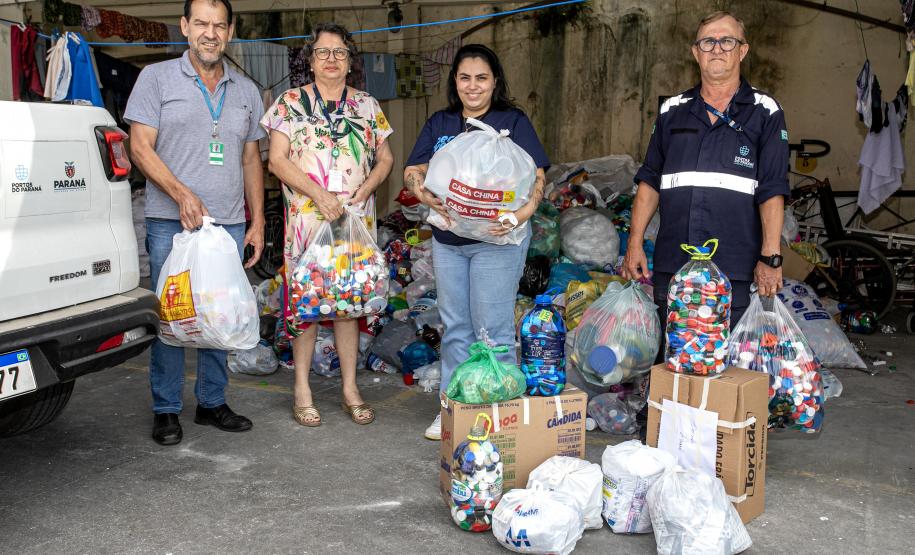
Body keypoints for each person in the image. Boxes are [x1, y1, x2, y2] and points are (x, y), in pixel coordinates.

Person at [126, 0, 266, 446]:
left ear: (230, 31)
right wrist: (181, 193)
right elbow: (139, 147)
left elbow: (251, 158)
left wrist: (258, 219)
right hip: (171, 221)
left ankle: (212, 402)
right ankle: (166, 408)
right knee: (173, 314)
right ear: (185, 26)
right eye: (201, 23)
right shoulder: (156, 78)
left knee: (219, 313)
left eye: (219, 25)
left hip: (228, 223)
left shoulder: (246, 90)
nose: (210, 33)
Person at [404, 44, 549, 440]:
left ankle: (498, 416)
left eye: (481, 78)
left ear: (494, 81)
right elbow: (413, 168)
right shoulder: (441, 122)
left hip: (496, 242)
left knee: (493, 331)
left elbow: (538, 176)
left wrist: (519, 215)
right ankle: (453, 409)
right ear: (455, 81)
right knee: (455, 327)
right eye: (465, 77)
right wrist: (422, 193)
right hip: (449, 240)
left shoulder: (512, 121)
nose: (473, 86)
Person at [622, 10, 790, 332]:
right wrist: (634, 242)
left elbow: (773, 187)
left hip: (735, 267)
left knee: (727, 359)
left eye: (727, 41)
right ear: (695, 52)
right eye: (707, 42)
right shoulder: (672, 111)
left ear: (743, 50)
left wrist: (771, 256)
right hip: (674, 263)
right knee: (674, 354)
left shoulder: (765, 111)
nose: (717, 48)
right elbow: (650, 180)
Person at [262, 23, 394, 427]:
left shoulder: (367, 105)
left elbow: (386, 158)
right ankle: (301, 388)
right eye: (323, 52)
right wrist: (318, 194)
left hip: (353, 224)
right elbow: (276, 160)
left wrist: (367, 187)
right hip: (308, 223)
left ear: (350, 61)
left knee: (347, 304)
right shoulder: (289, 103)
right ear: (311, 60)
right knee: (306, 303)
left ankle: (350, 388)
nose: (331, 59)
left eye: (339, 52)